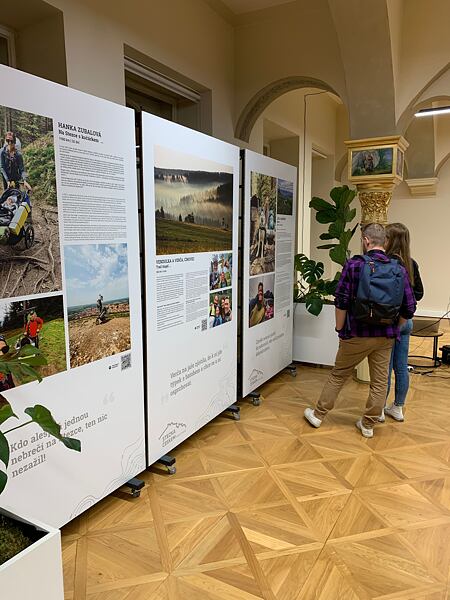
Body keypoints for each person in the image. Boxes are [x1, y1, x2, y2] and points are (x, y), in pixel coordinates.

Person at [304, 223, 416, 438]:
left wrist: (339, 329)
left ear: (366, 240)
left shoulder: (354, 265)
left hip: (356, 333)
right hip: (385, 336)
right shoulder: (399, 269)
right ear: (385, 241)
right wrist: (395, 328)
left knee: (338, 375)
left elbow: (342, 301)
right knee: (380, 381)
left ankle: (318, 415)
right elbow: (409, 308)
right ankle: (368, 425)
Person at [380, 223, 424, 422]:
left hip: (388, 322)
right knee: (401, 366)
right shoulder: (411, 263)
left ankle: (379, 409)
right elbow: (419, 293)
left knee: (384, 368)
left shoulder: (384, 262)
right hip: (407, 322)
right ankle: (398, 407)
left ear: (389, 240)